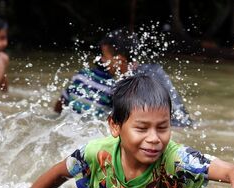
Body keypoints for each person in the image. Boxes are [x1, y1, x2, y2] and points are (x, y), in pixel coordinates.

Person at [32, 74, 234, 188]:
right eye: (142, 128)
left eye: (162, 128)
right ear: (115, 126)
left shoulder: (178, 160)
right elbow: (56, 175)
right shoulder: (95, 154)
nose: (154, 138)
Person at [55, 29, 193, 127]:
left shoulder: (83, 76)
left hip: (174, 125)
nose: (100, 60)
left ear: (120, 60)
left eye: (104, 56)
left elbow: (60, 104)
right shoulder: (151, 73)